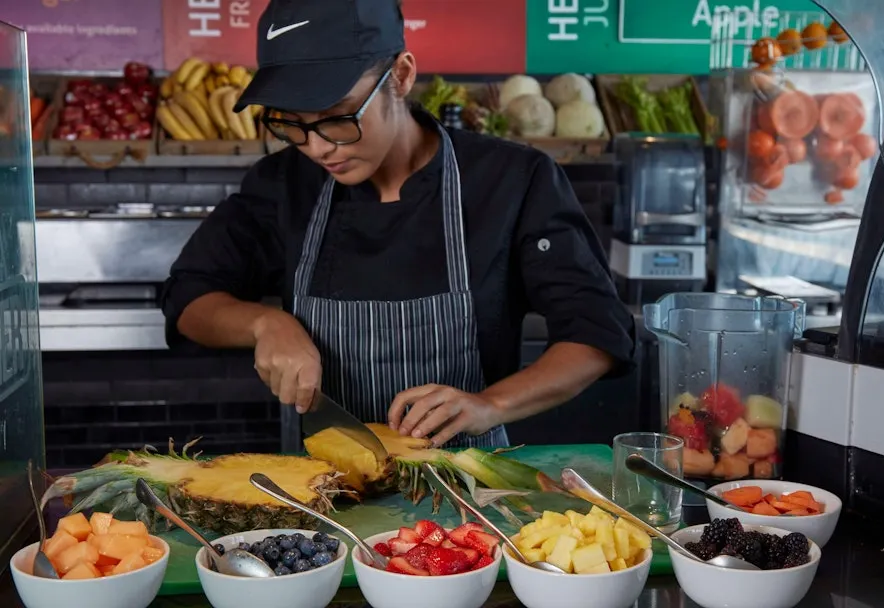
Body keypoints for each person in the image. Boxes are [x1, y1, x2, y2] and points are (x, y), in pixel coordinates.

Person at [161, 0, 636, 449]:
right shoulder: (283, 183)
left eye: (337, 117)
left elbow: (596, 332)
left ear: (402, 76)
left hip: (469, 490)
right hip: (323, 490)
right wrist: (264, 324)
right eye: (292, 123)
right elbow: (188, 295)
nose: (318, 147)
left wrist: (491, 405)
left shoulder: (512, 180)